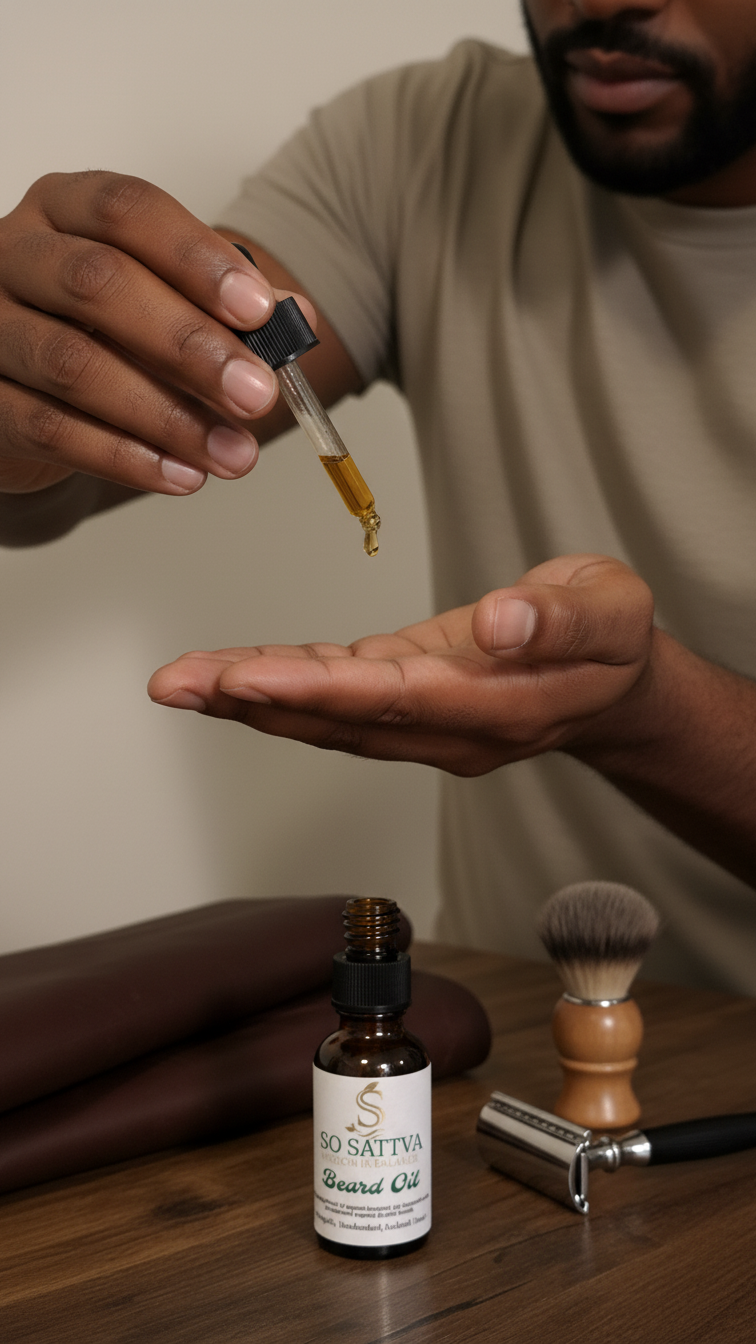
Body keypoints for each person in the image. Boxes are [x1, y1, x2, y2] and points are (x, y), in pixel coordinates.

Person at [1, 0, 755, 990]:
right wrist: (36, 386)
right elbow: (150, 369)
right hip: (500, 1047)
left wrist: (646, 710)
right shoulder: (427, 141)